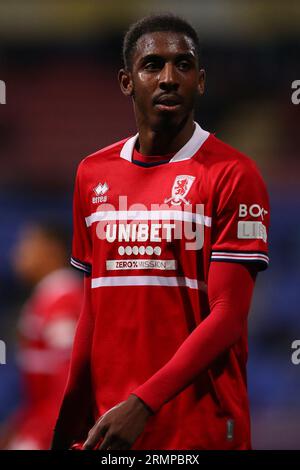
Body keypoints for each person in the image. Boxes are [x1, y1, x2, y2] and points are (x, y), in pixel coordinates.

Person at [51, 13, 270, 450]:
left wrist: (143, 402)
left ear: (201, 80)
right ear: (126, 81)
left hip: (200, 430)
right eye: (153, 65)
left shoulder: (234, 174)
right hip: (112, 431)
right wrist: (69, 422)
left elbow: (227, 316)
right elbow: (91, 313)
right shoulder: (92, 174)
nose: (169, 78)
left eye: (183, 65)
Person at [1, 222, 82, 450]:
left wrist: (44, 435)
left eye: (27, 245)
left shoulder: (62, 301)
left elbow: (68, 375)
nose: (18, 253)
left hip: (51, 429)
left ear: (51, 250)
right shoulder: (47, 298)